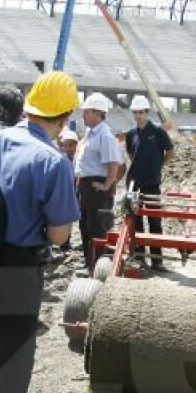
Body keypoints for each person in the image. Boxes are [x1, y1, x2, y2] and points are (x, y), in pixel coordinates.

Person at [0, 71, 80, 393]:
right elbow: (58, 235)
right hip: (19, 266)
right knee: (14, 356)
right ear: (64, 116)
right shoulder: (54, 161)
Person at [74, 92, 123, 273]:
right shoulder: (90, 133)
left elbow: (113, 163)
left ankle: (96, 267)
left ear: (97, 113)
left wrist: (107, 185)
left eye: (86, 112)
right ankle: (89, 262)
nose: (83, 115)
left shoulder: (104, 135)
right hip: (86, 185)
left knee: (96, 227)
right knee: (85, 225)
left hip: (96, 186)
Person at [125, 94, 174, 268]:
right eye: (135, 113)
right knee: (136, 221)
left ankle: (157, 261)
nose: (138, 116)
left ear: (147, 113)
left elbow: (170, 151)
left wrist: (158, 166)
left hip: (152, 183)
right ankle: (139, 257)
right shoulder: (131, 135)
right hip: (134, 183)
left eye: (141, 112)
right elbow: (131, 154)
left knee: (154, 221)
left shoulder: (158, 132)